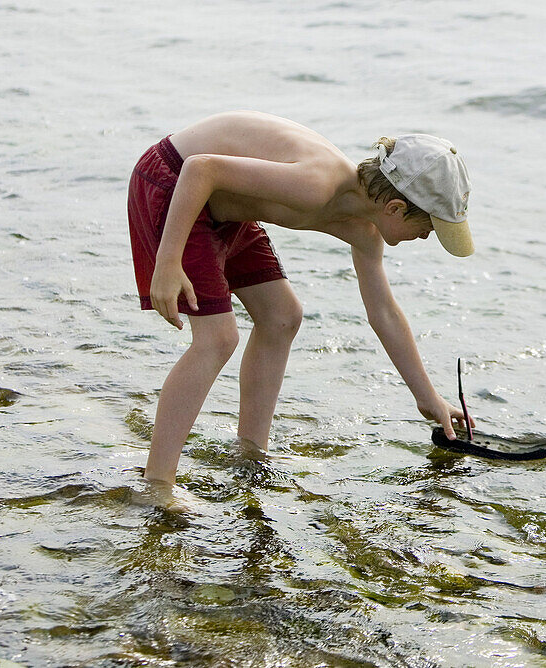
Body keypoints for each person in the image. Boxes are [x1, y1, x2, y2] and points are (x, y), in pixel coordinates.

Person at [127, 110, 474, 486]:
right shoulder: (316, 185)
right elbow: (201, 168)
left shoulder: (364, 232)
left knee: (282, 316)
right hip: (174, 185)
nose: (425, 239)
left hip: (225, 209)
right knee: (218, 337)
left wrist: (428, 398)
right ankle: (157, 483)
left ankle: (250, 454)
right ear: (395, 208)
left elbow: (384, 313)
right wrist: (168, 260)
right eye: (427, 228)